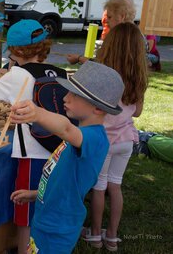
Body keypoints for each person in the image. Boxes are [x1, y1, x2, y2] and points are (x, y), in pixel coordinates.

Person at [0, 20, 65, 253]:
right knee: (49, 202)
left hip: (33, 154)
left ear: (16, 51)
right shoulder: (57, 72)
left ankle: (24, 249)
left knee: (25, 214)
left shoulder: (18, 74)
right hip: (58, 149)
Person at [10, 61, 125, 254]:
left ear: (98, 109)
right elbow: (62, 180)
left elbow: (65, 128)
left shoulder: (95, 139)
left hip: (57, 229)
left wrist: (38, 113)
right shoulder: (79, 135)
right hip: (45, 220)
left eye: (74, 94)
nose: (66, 97)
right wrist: (35, 194)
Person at [82, 22, 148, 252]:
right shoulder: (138, 76)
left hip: (104, 141)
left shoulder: (104, 76)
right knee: (115, 186)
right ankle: (111, 236)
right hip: (126, 141)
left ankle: (95, 234)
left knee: (99, 187)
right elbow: (137, 112)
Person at [67, 0, 136, 65]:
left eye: (109, 17)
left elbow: (103, 66)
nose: (106, 21)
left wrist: (79, 58)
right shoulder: (136, 35)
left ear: (122, 16)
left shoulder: (121, 38)